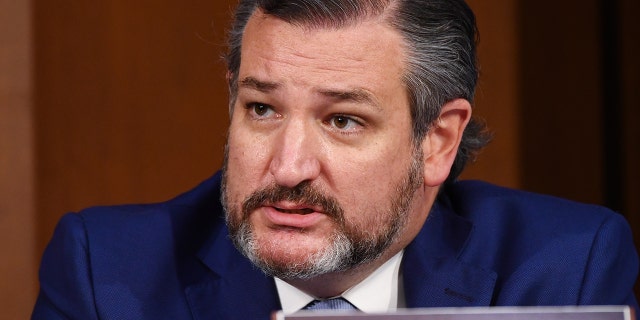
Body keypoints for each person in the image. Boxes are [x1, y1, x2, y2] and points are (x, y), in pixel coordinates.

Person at [32, 0, 638, 319]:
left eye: (342, 120)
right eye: (262, 109)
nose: (289, 167)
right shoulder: (107, 278)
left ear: (438, 140)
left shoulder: (563, 269)